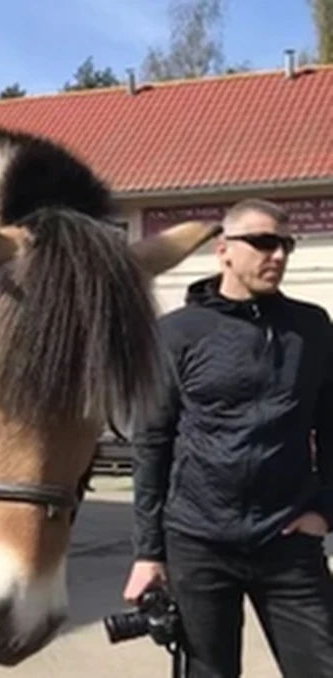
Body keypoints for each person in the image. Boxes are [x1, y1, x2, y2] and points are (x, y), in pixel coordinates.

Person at [123, 198, 333, 677]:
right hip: (199, 543)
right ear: (224, 251)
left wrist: (325, 508)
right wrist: (147, 553)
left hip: (287, 540)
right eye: (262, 242)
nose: (276, 254)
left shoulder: (311, 328)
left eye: (285, 244)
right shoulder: (177, 334)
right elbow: (152, 445)